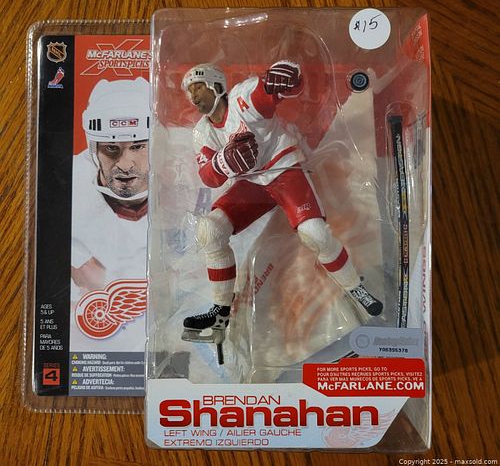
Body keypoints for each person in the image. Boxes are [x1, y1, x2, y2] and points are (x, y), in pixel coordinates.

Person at [180, 62, 383, 359]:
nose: (194, 97)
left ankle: (355, 286)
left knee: (314, 233)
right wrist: (223, 162)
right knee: (210, 230)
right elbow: (209, 177)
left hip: (282, 169)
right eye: (190, 92)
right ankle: (221, 311)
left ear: (216, 85)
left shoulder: (242, 98)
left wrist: (285, 78)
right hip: (252, 183)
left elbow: (272, 90)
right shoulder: (202, 131)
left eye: (198, 88)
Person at [71, 77, 149, 340]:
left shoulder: (188, 175)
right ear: (93, 148)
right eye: (111, 148)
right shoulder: (67, 183)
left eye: (138, 146)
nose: (125, 164)